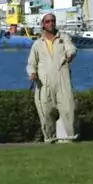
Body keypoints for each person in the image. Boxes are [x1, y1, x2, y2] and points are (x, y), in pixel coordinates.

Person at [27, 12, 78, 143]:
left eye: (53, 21)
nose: (51, 23)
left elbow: (71, 48)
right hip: (44, 83)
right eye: (48, 21)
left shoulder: (63, 38)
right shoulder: (37, 44)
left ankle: (70, 138)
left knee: (68, 109)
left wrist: (70, 54)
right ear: (43, 24)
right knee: (46, 112)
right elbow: (32, 62)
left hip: (62, 80)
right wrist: (32, 73)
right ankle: (50, 139)